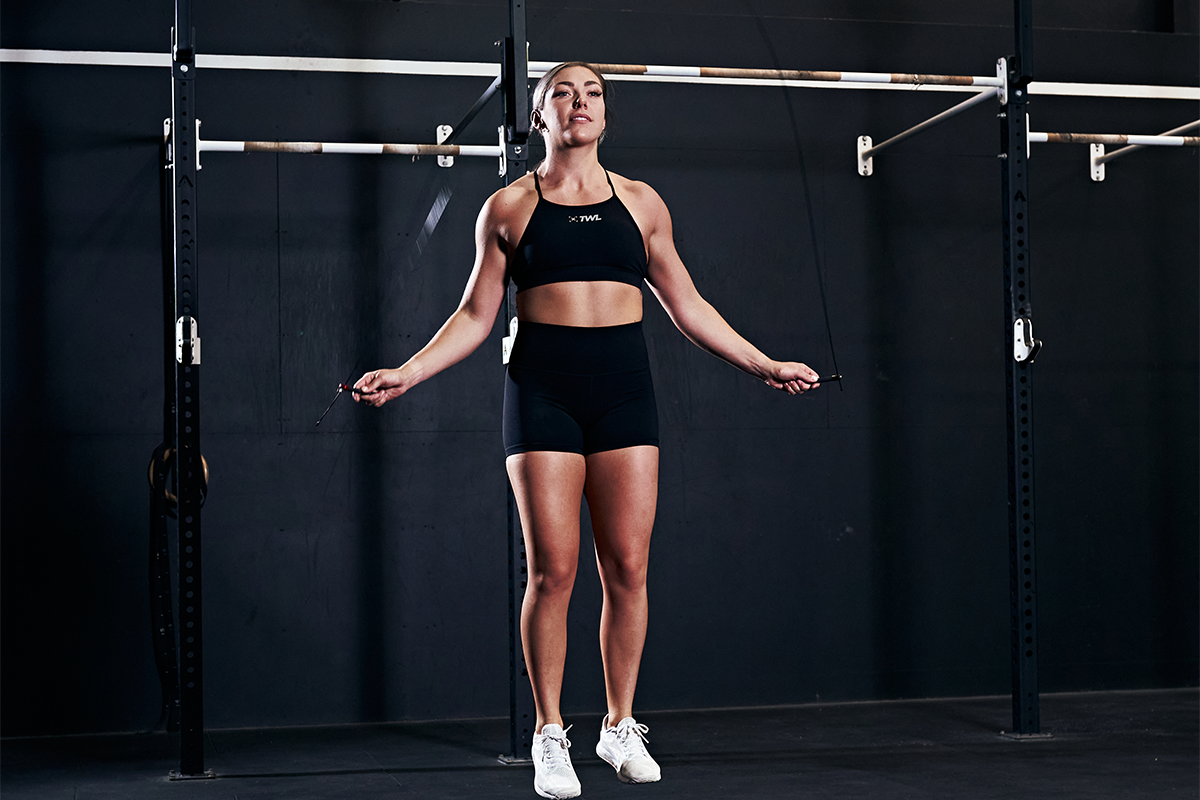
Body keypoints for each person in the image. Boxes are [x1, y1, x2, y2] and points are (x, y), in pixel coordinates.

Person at [354, 61, 822, 800]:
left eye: (593, 93)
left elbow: (686, 303)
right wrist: (407, 373)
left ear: (607, 114)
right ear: (540, 117)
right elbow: (476, 316)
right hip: (543, 391)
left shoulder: (642, 204)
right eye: (561, 94)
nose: (579, 103)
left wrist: (760, 362)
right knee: (554, 571)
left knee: (628, 569)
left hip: (624, 393)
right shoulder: (508, 207)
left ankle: (618, 724)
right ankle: (548, 734)